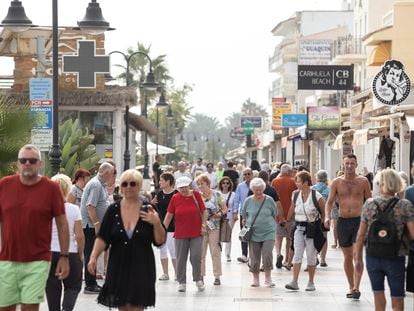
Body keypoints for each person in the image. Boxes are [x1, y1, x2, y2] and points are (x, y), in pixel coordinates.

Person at [0, 144, 69, 310]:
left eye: (32, 160)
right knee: (5, 307)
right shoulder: (4, 185)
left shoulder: (51, 188)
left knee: (29, 307)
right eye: (23, 160)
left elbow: (62, 223)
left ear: (40, 164)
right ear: (18, 163)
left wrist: (64, 256)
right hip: (7, 259)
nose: (27, 164)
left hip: (38, 260)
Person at [87, 169, 166, 310]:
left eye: (133, 183)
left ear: (140, 186)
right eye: (125, 184)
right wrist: (93, 257)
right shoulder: (113, 210)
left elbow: (160, 241)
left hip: (141, 266)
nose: (128, 187)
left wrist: (156, 223)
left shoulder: (149, 209)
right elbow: (103, 237)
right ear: (120, 187)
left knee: (136, 306)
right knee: (122, 306)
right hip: (118, 265)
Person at [355, 168, 414, 311]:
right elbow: (413, 235)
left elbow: (360, 235)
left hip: (373, 256)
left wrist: (358, 259)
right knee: (397, 299)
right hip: (396, 256)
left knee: (378, 298)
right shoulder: (404, 205)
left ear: (380, 184)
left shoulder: (369, 204)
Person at [324, 154, 371, 299]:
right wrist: (326, 216)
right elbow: (330, 202)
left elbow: (369, 201)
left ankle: (357, 287)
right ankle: (351, 286)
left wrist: (371, 219)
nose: (349, 166)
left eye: (352, 163)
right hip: (343, 221)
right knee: (347, 256)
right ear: (343, 165)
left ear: (356, 165)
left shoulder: (363, 181)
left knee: (358, 256)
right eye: (347, 163)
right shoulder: (337, 182)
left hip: (359, 221)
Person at [46, 174, 85, 311]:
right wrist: (81, 254)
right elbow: (79, 236)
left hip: (50, 253)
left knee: (52, 289)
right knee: (73, 286)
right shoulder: (74, 209)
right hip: (71, 252)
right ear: (68, 189)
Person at [163, 176, 207, 292]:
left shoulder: (196, 195)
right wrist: (162, 229)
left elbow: (204, 211)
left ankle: (198, 279)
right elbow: (169, 215)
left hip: (196, 232)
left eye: (185, 187)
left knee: (196, 256)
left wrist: (203, 225)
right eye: (181, 187)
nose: (183, 189)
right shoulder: (175, 198)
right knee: (181, 258)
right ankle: (181, 282)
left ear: (189, 185)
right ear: (178, 188)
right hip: (181, 233)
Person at [285, 171, 325, 292]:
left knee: (311, 255)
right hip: (298, 227)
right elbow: (292, 208)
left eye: (298, 181)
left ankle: (311, 282)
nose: (296, 183)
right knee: (297, 254)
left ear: (306, 182)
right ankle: (294, 281)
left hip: (312, 228)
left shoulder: (316, 196)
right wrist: (287, 221)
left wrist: (322, 225)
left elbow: (323, 212)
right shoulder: (296, 194)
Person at [80, 162, 115, 294]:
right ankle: (90, 284)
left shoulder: (99, 184)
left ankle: (92, 281)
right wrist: (96, 224)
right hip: (90, 226)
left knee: (92, 253)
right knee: (90, 253)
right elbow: (91, 206)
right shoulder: (95, 184)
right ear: (106, 173)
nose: (112, 176)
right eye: (111, 173)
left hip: (92, 225)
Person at [242, 177, 277, 287]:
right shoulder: (248, 201)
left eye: (260, 189)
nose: (258, 192)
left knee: (267, 254)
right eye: (256, 190)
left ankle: (268, 278)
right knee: (254, 256)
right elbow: (244, 217)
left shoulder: (269, 200)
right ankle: (255, 279)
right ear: (252, 190)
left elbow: (274, 214)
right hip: (254, 233)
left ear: (263, 189)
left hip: (268, 232)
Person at [196, 174, 227, 285]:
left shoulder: (217, 194)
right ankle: (201, 276)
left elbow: (224, 208)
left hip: (215, 227)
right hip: (202, 228)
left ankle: (217, 276)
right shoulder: (197, 196)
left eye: (202, 184)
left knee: (215, 251)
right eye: (198, 184)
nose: (200, 186)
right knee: (201, 253)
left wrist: (219, 214)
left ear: (208, 184)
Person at [152, 172, 177, 281]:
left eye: (162, 180)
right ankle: (165, 273)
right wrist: (152, 203)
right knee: (162, 250)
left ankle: (177, 273)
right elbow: (154, 208)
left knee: (173, 251)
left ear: (168, 182)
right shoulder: (159, 194)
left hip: (172, 228)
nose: (160, 182)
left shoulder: (176, 194)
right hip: (160, 227)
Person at [271, 164, 297, 269]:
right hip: (290, 213)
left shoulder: (275, 181)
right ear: (289, 171)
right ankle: (287, 259)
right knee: (289, 238)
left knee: (278, 237)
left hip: (278, 213)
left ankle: (278, 253)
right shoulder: (293, 181)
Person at [233, 167, 254, 263]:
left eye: (248, 174)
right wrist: (235, 212)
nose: (247, 176)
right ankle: (244, 255)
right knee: (244, 234)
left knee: (254, 234)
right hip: (243, 214)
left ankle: (253, 255)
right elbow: (236, 200)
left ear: (252, 174)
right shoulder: (240, 186)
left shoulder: (256, 185)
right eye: (245, 174)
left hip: (254, 214)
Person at [312, 169, 330, 267]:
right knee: (324, 237)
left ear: (317, 177)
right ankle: (323, 259)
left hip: (313, 216)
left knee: (313, 237)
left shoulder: (312, 189)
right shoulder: (329, 189)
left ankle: (314, 258)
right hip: (325, 216)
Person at [218, 176, 237, 262]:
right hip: (219, 217)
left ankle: (228, 254)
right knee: (219, 235)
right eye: (223, 183)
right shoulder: (217, 194)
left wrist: (235, 214)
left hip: (229, 217)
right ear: (221, 184)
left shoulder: (233, 194)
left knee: (228, 235)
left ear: (230, 184)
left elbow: (235, 205)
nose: (225, 185)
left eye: (227, 183)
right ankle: (219, 252)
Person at [330, 170, 344, 248]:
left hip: (344, 207)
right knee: (335, 225)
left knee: (343, 225)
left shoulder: (347, 185)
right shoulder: (334, 184)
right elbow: (331, 196)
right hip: (335, 206)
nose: (340, 177)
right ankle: (335, 241)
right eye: (339, 175)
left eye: (341, 175)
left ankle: (341, 241)